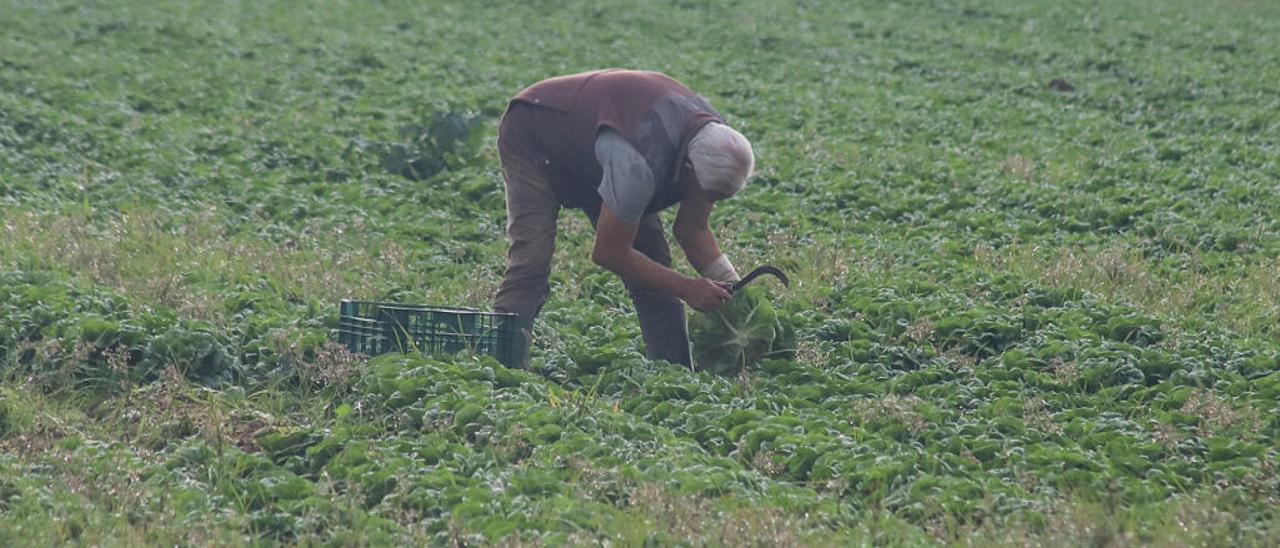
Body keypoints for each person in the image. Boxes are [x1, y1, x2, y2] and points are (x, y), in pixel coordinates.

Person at [494, 69, 755, 367]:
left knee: (653, 267)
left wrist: (738, 295)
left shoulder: (715, 142)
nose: (705, 202)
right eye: (704, 194)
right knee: (532, 261)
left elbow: (692, 228)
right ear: (686, 168)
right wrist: (687, 288)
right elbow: (609, 252)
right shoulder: (638, 162)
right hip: (536, 131)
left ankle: (674, 372)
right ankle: (504, 369)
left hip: (598, 145)